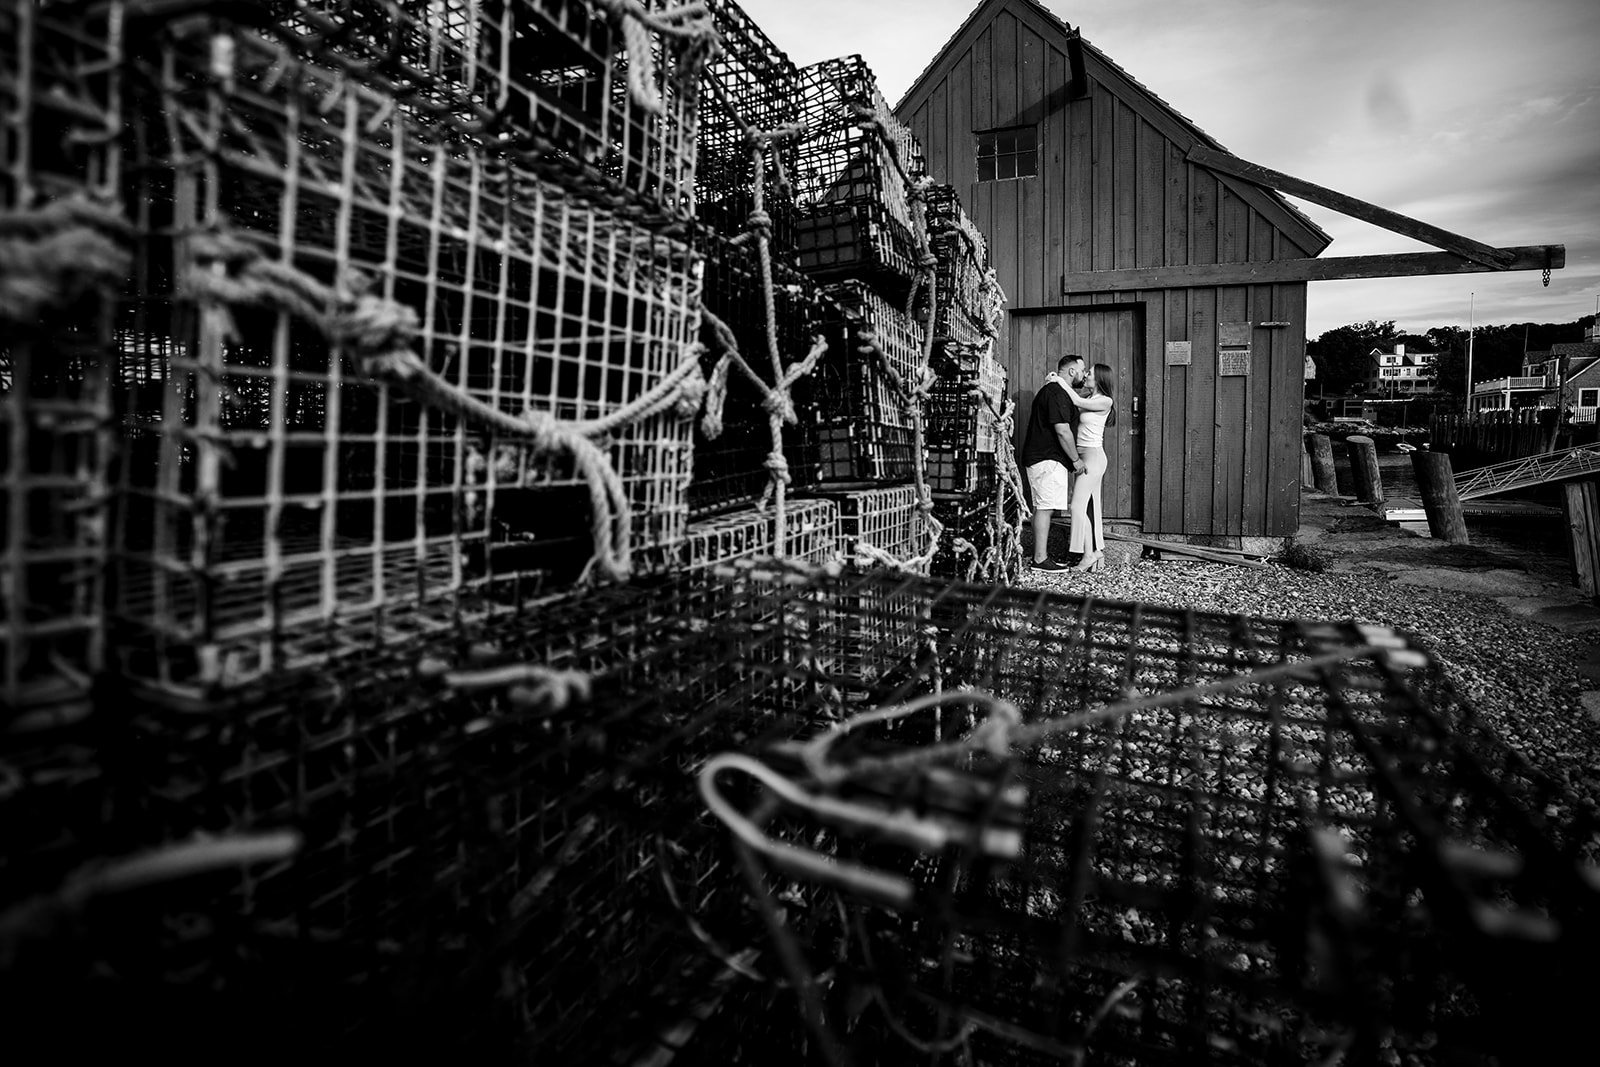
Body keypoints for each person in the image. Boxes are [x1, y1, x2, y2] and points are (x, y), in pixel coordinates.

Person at [1019, 355, 1088, 570]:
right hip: (1046, 458)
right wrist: (1075, 459)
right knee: (1045, 507)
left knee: (1045, 506)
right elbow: (1062, 430)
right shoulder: (1055, 393)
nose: (1084, 374)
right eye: (1082, 369)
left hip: (1047, 458)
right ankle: (1040, 559)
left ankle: (1041, 557)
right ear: (1071, 371)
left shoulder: (1057, 390)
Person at [1055, 362, 1116, 572]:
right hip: (1083, 456)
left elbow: (1075, 400)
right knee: (1090, 507)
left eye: (1089, 373)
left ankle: (1089, 555)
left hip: (1093, 458)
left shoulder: (1105, 401)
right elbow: (1074, 405)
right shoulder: (1090, 399)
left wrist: (1058, 381)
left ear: (1098, 378)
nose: (1086, 375)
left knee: (1076, 507)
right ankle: (1096, 552)